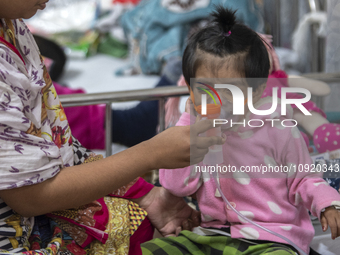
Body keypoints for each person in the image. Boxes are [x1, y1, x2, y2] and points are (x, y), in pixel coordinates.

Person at [0, 1, 226, 254]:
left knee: (136, 222)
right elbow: (31, 195)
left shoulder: (13, 24)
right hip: (20, 227)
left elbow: (56, 141)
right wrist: (151, 154)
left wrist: (146, 193)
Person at [142, 7, 340, 255]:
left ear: (256, 91)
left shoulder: (277, 129)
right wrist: (189, 126)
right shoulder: (195, 129)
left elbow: (305, 179)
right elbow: (176, 186)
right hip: (210, 235)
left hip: (271, 237)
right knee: (150, 250)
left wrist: (327, 204)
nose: (220, 100)